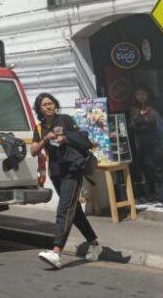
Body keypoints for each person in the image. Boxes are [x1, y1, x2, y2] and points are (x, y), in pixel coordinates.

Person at [31, 93, 103, 269]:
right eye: (45, 105)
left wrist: (65, 138)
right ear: (39, 109)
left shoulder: (65, 120)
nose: (49, 106)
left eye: (51, 103)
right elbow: (33, 151)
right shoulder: (39, 128)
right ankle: (94, 244)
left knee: (64, 208)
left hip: (72, 169)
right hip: (56, 173)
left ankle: (56, 252)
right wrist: (45, 139)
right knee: (74, 211)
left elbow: (83, 139)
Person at [131, 85, 163, 204]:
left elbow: (160, 124)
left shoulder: (154, 108)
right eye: (138, 94)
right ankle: (153, 194)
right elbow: (134, 124)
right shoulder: (134, 110)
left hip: (157, 144)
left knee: (159, 169)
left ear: (148, 94)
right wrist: (145, 121)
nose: (141, 97)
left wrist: (143, 121)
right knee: (148, 170)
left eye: (143, 93)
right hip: (143, 146)